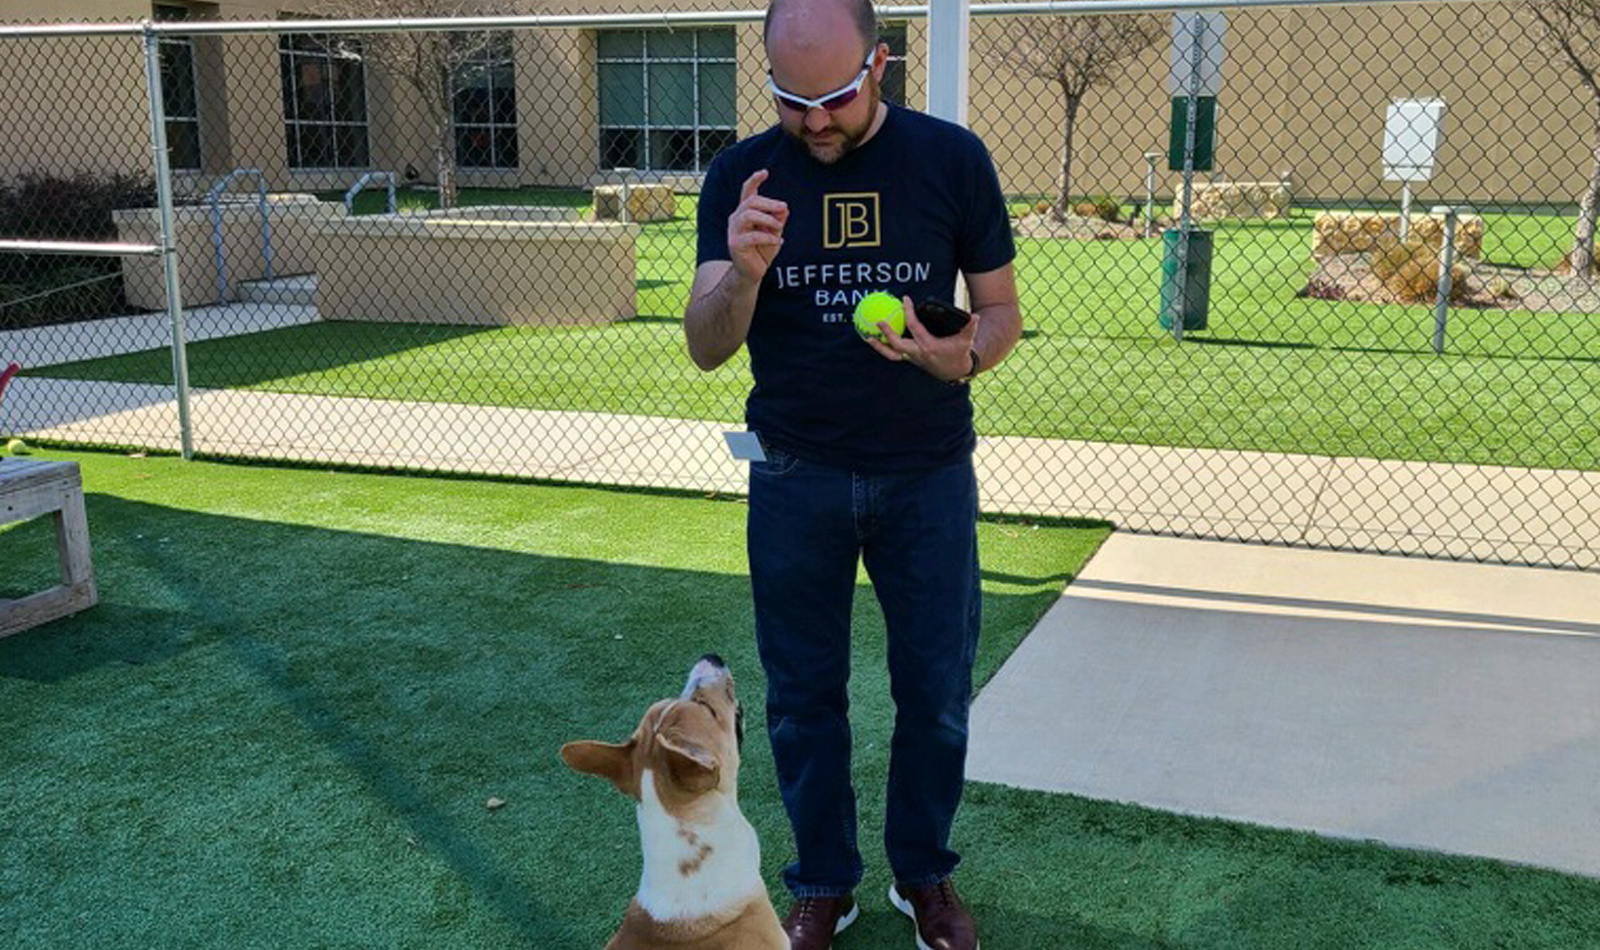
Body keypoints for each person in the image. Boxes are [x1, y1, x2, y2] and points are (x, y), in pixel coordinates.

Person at [683, 0, 1020, 946]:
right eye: (792, 100)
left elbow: (999, 312)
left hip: (927, 475)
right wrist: (741, 275)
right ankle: (824, 879)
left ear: (880, 62)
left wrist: (965, 358)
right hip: (796, 475)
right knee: (800, 698)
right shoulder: (738, 176)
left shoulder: (952, 160)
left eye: (833, 96)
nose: (814, 121)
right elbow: (707, 348)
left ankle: (924, 874)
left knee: (936, 689)